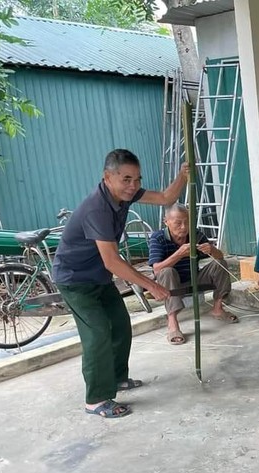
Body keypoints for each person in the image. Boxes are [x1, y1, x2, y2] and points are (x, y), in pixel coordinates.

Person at [52, 149, 187, 418]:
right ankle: (96, 399)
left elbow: (165, 197)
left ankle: (116, 378)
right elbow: (112, 261)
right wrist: (152, 284)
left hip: (98, 276)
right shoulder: (97, 209)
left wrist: (184, 174)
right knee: (98, 332)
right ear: (107, 177)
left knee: (121, 324)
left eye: (137, 179)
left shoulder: (124, 195)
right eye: (126, 179)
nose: (133, 186)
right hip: (75, 279)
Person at [148, 204, 238, 346]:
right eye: (178, 223)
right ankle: (172, 323)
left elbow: (220, 256)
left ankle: (218, 308)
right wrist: (179, 254)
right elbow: (157, 270)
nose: (184, 227)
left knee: (219, 263)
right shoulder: (158, 238)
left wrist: (212, 250)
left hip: (195, 278)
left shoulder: (195, 235)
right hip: (172, 283)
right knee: (166, 271)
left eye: (187, 222)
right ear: (166, 222)